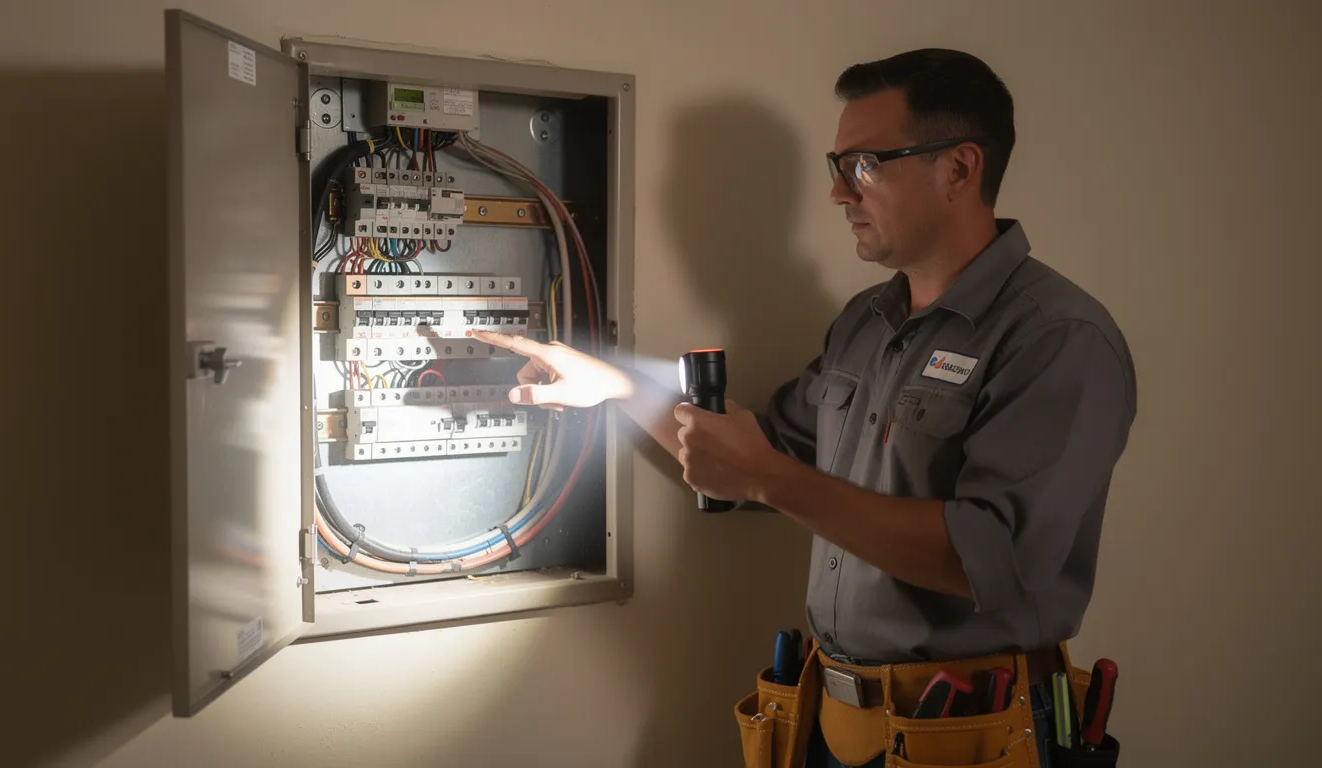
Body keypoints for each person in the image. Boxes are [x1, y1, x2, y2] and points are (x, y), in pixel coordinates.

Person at [474, 48, 1136, 768]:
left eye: (865, 165)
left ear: (958, 169)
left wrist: (767, 479)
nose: (839, 194)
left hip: (969, 733)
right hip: (833, 724)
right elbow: (770, 450)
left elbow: (995, 557)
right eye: (836, 167)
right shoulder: (867, 321)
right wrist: (615, 385)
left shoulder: (1058, 337)